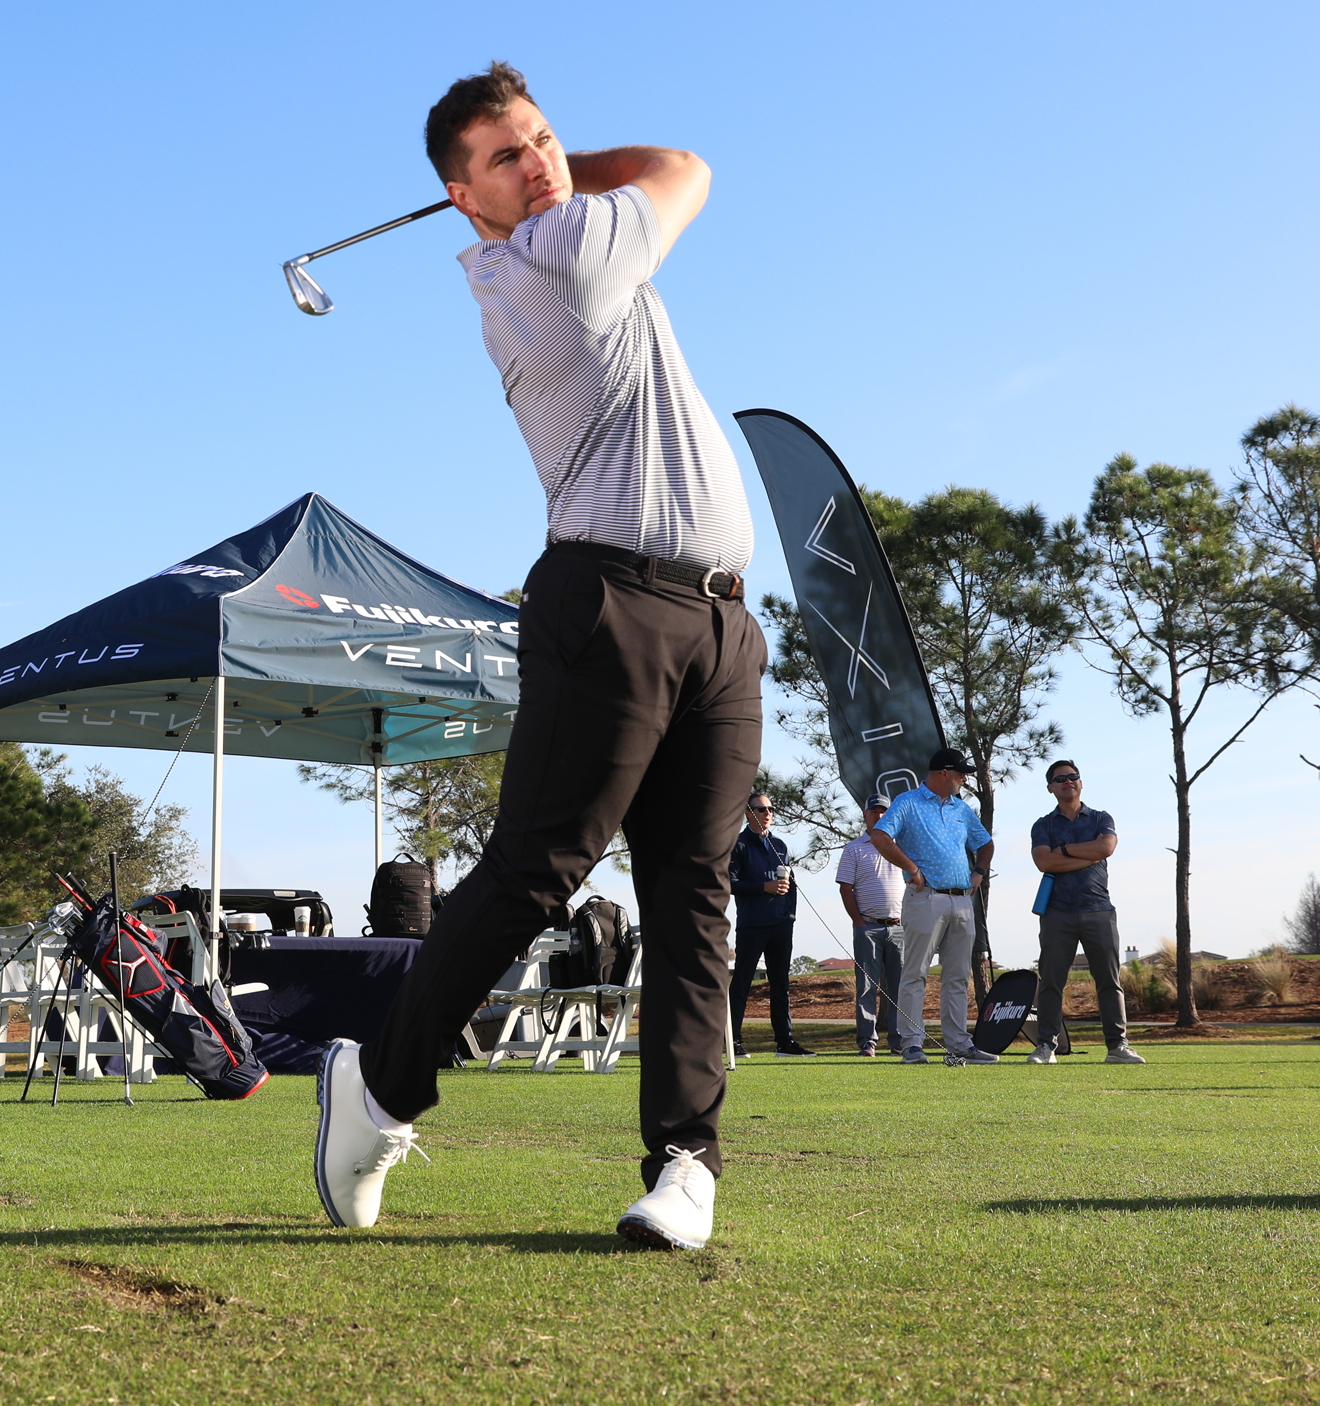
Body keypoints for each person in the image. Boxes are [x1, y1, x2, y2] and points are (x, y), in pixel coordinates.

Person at [312, 62, 756, 1254]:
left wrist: (538, 166)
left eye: (546, 138)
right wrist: (573, 174)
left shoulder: (557, 233)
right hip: (604, 600)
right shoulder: (553, 259)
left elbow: (647, 185)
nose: (542, 162)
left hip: (718, 617)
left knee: (693, 893)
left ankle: (683, 1165)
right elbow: (690, 169)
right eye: (505, 157)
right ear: (465, 200)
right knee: (534, 871)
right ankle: (382, 1090)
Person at [866, 749, 999, 1064]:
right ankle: (912, 1044)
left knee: (957, 975)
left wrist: (979, 871)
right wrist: (912, 870)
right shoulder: (908, 802)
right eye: (961, 774)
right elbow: (881, 836)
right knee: (916, 973)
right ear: (944, 773)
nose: (965, 779)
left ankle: (959, 1044)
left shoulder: (962, 808)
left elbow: (985, 843)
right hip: (926, 898)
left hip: (962, 900)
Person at [1026, 760, 1142, 1064]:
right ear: (1050, 787)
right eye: (1060, 778)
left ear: (1080, 782)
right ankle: (1046, 1047)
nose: (1068, 781)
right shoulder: (1043, 825)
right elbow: (1043, 862)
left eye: (1073, 776)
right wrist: (1084, 854)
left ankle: (1118, 1046)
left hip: (1099, 911)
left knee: (1109, 981)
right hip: (1056, 913)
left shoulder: (1102, 817)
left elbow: (1105, 848)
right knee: (1051, 982)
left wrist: (1062, 850)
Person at [730, 794, 814, 1057]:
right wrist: (762, 887)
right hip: (752, 925)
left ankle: (785, 1043)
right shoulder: (738, 845)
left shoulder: (780, 845)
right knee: (742, 983)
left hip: (781, 924)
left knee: (781, 985)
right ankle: (733, 1041)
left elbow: (792, 884)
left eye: (771, 809)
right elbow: (728, 883)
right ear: (748, 813)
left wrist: (791, 914)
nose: (767, 813)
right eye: (761, 809)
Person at [835, 792, 906, 1057]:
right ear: (865, 815)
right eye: (874, 811)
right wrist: (858, 922)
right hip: (868, 927)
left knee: (900, 987)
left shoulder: (901, 846)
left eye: (884, 812)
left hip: (899, 927)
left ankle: (899, 1041)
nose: (879, 815)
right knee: (866, 986)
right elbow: (845, 888)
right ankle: (868, 1041)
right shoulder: (854, 848)